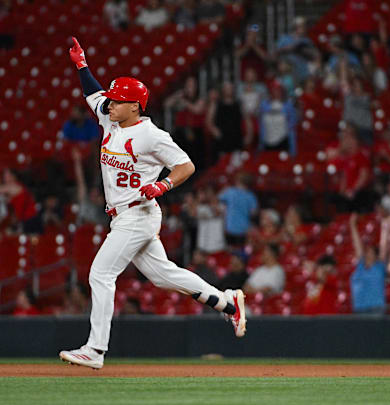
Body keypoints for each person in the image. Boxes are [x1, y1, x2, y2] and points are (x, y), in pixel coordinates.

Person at [59, 37, 247, 370]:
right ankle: (227, 302)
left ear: (135, 106)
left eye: (118, 101)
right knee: (163, 275)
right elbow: (92, 95)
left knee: (100, 274)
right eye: (112, 100)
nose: (110, 105)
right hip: (122, 217)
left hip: (138, 215)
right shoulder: (110, 119)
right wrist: (81, 65)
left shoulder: (151, 135)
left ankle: (95, 349)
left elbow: (186, 165)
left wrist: (163, 184)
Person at [348, 213, 390, 315]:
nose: (368, 253)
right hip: (359, 309)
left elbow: (383, 246)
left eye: (371, 252)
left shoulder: (379, 267)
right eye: (367, 251)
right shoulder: (360, 266)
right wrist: (352, 225)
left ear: (376, 256)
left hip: (376, 308)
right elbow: (357, 244)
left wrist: (385, 226)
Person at [218, 172, 258, 247]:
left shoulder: (230, 192)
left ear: (238, 181)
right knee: (241, 253)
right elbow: (253, 213)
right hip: (243, 229)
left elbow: (219, 198)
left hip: (230, 229)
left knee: (230, 252)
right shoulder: (251, 196)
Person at [258, 80, 297, 156]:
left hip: (282, 142)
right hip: (267, 142)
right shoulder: (264, 105)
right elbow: (261, 126)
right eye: (274, 90)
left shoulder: (288, 105)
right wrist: (261, 145)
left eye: (278, 90)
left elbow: (292, 127)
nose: (276, 92)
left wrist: (293, 150)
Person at [72, 148, 109, 225]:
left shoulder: (103, 210)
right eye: (93, 194)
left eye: (96, 194)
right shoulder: (84, 200)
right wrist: (77, 161)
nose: (94, 196)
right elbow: (80, 181)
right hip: (82, 231)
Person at [206, 81, 244, 156]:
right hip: (222, 140)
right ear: (223, 90)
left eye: (230, 88)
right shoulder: (216, 104)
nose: (228, 90)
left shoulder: (239, 104)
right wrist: (215, 131)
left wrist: (249, 134)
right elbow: (208, 121)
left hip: (236, 138)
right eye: (226, 88)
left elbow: (247, 119)